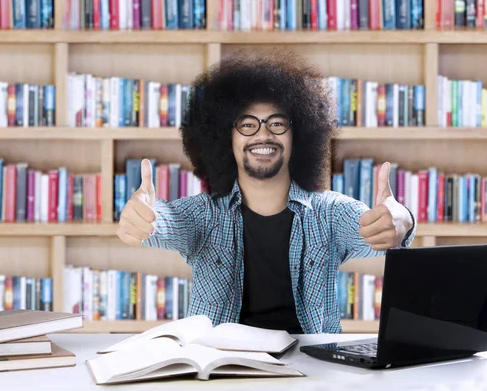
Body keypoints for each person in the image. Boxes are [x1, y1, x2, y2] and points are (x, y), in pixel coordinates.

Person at [116, 49, 416, 334]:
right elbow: (166, 221)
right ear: (224, 139)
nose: (263, 133)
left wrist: (401, 222)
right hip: (221, 364)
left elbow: (373, 229)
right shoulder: (204, 215)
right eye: (247, 125)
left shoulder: (329, 212)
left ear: (298, 136)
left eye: (277, 123)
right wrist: (142, 220)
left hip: (312, 369)